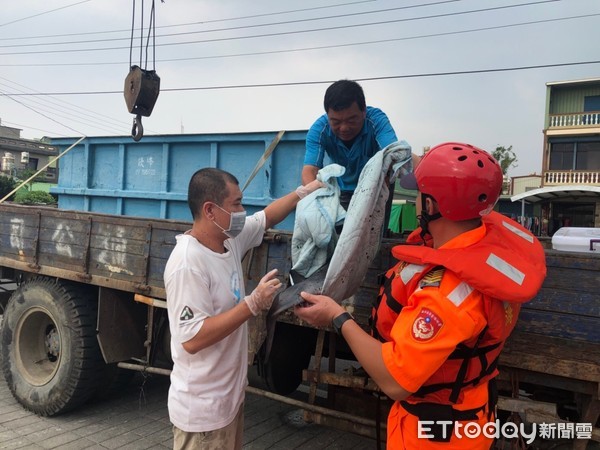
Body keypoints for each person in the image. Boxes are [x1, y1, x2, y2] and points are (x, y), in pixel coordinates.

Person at [295, 142, 547, 449]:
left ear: (430, 206)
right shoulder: (488, 249)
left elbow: (395, 380)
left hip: (436, 434)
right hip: (471, 413)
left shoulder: (446, 294)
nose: (415, 201)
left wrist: (337, 317)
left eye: (419, 195)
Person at [164, 168, 322, 450]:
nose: (242, 210)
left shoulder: (229, 240)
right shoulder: (188, 263)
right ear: (210, 210)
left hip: (229, 403)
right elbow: (192, 339)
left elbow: (267, 217)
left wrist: (303, 193)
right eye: (236, 204)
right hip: (203, 415)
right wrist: (252, 304)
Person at [302, 79, 401, 210]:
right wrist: (318, 206)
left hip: (376, 189)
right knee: (337, 228)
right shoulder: (319, 130)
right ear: (328, 115)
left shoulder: (377, 120)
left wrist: (380, 195)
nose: (344, 128)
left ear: (363, 111)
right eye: (336, 122)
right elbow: (310, 170)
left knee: (374, 229)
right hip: (342, 189)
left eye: (351, 120)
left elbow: (393, 154)